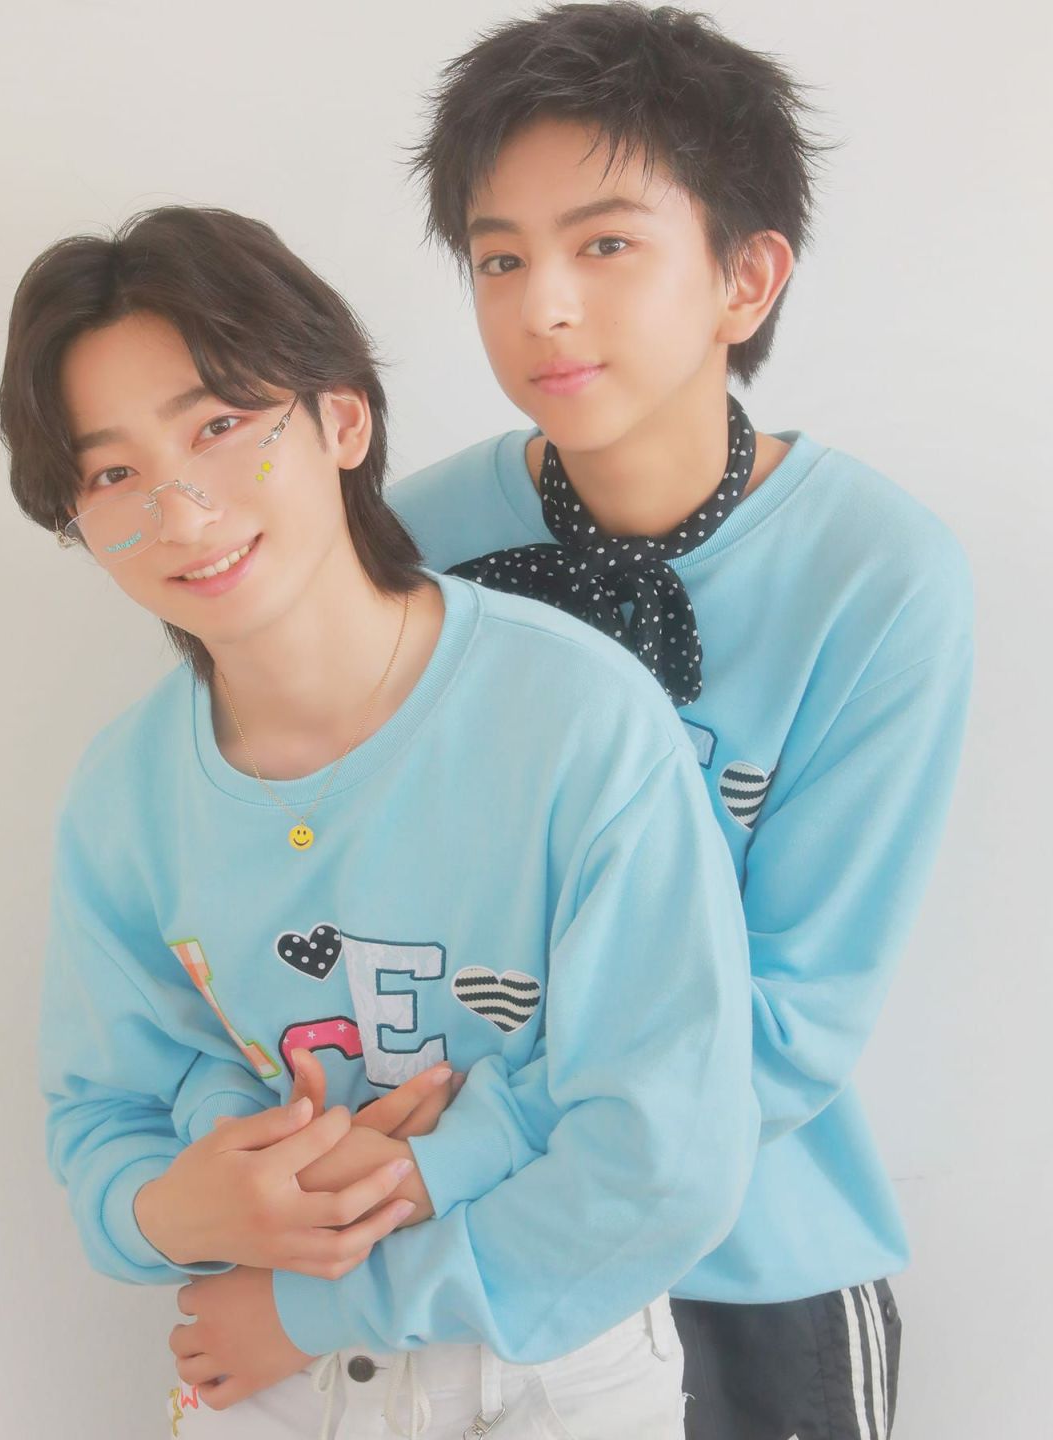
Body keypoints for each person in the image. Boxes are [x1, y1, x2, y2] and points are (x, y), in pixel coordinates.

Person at [0, 204, 757, 1437]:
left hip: (544, 1353)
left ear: (342, 420)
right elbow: (101, 1116)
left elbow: (667, 1152)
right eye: (112, 473)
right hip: (261, 1364)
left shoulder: (579, 718)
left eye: (220, 427)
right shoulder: (124, 798)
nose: (179, 511)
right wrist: (182, 1210)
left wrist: (356, 1265)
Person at [387, 6, 974, 1439]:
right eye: (500, 258)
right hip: (450, 1265)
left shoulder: (877, 575)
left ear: (744, 277)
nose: (544, 306)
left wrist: (486, 1158)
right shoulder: (410, 545)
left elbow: (796, 1011)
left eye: (604, 244)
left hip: (747, 1264)